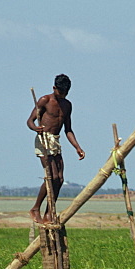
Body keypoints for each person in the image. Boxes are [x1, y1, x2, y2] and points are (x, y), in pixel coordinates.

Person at [27, 74, 85, 223]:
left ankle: (49, 212)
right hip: (43, 139)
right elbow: (30, 121)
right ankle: (35, 208)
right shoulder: (45, 100)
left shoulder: (67, 105)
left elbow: (68, 129)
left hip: (56, 141)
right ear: (54, 88)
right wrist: (36, 128)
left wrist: (77, 147)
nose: (63, 95)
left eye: (66, 93)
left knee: (59, 179)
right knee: (51, 176)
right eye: (61, 92)